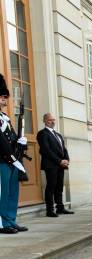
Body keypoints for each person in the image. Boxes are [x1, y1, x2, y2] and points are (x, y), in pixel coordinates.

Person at [0, 73, 28, 233]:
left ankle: (10, 220)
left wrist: (20, 140)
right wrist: (11, 155)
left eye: (5, 97)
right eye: (2, 96)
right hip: (2, 160)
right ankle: (2, 223)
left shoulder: (5, 117)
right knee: (2, 193)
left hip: (12, 159)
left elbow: (10, 137)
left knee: (12, 191)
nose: (5, 99)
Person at [37, 113, 73, 217]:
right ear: (44, 121)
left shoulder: (58, 135)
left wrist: (66, 159)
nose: (52, 122)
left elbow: (64, 149)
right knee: (51, 187)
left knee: (59, 187)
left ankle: (60, 208)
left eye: (54, 120)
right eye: (49, 120)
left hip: (61, 165)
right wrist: (59, 161)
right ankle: (50, 210)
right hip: (51, 165)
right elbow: (46, 150)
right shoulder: (42, 134)